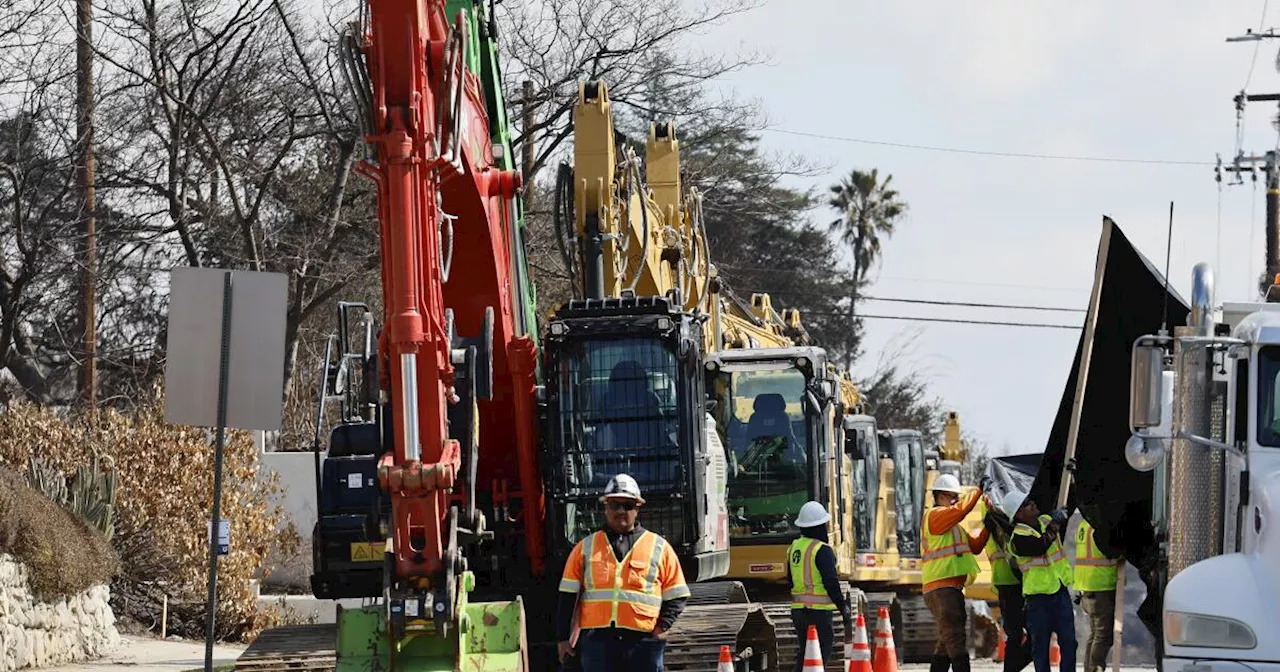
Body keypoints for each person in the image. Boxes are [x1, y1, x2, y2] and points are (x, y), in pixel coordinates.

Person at [556, 474, 691, 672]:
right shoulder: (584, 548)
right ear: (605, 507)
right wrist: (562, 639)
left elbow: (678, 595)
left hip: (643, 643)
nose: (620, 511)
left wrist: (660, 628)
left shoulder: (659, 547)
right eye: (614, 505)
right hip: (598, 644)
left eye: (627, 505)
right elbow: (567, 597)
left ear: (637, 508)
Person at [920, 474, 991, 672]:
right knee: (955, 637)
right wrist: (978, 491)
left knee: (946, 640)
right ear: (939, 496)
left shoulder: (953, 527)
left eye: (956, 497)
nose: (955, 501)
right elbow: (960, 511)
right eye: (951, 497)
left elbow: (975, 547)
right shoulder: (935, 517)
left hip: (948, 588)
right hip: (941, 587)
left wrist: (988, 527)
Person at [1003, 490, 1076, 672]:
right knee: (1040, 648)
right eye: (1027, 504)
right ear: (1019, 514)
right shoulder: (1018, 538)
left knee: (1069, 643)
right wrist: (1055, 523)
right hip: (1038, 599)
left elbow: (1067, 502)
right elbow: (1039, 547)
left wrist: (1072, 483)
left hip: (1059, 592)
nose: (1032, 504)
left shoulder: (1045, 520)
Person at [787, 501, 854, 672]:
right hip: (817, 612)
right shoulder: (821, 549)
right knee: (819, 653)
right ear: (818, 527)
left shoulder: (794, 548)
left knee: (804, 652)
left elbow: (790, 579)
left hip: (798, 611)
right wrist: (843, 607)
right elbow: (831, 582)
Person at [980, 491, 1031, 672]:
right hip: (1011, 581)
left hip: (1017, 581)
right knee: (1019, 633)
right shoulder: (995, 518)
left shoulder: (994, 517)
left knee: (1020, 633)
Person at [1075, 518, 1121, 672]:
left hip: (1087, 585)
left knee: (1095, 633)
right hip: (1101, 584)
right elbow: (1113, 551)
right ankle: (1095, 668)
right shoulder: (1101, 526)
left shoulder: (1083, 525)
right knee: (1103, 634)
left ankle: (1090, 669)